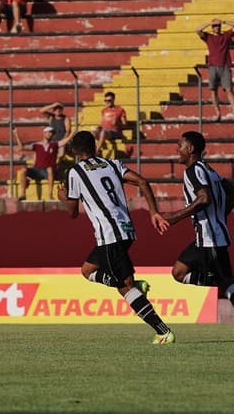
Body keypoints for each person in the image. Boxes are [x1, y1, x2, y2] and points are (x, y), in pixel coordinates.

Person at [57, 131, 175, 345]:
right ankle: (133, 282)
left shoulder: (75, 172)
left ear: (74, 150)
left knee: (124, 287)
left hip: (109, 235)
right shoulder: (112, 164)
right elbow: (141, 181)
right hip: (127, 230)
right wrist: (153, 213)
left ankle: (163, 331)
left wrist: (62, 197)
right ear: (94, 146)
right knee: (87, 270)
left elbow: (72, 212)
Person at [162, 131, 234, 342]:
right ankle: (227, 283)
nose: (177, 149)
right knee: (178, 272)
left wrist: (175, 216)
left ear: (191, 149)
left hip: (209, 237)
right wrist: (220, 216)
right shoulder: (209, 170)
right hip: (208, 235)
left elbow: (203, 199)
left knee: (226, 283)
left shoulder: (193, 171)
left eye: (180, 145)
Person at [196, 18, 234, 122]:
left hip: (225, 66)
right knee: (213, 91)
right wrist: (209, 23)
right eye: (215, 26)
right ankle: (217, 113)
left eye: (218, 26)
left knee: (229, 90)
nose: (217, 27)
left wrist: (225, 21)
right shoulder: (208, 37)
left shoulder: (225, 35)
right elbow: (198, 30)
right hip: (212, 66)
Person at [13, 125, 72, 200]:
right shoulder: (37, 145)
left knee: (50, 169)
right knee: (23, 170)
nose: (50, 134)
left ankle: (50, 194)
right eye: (49, 132)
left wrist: (71, 134)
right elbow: (22, 147)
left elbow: (64, 142)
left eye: (52, 133)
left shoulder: (54, 145)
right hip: (37, 170)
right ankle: (23, 194)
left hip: (48, 172)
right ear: (44, 133)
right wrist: (16, 134)